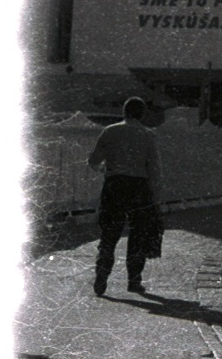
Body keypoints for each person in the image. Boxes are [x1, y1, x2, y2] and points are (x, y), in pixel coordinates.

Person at [88, 96, 161, 296]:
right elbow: (153, 168)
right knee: (138, 234)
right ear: (143, 113)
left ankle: (101, 277)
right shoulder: (148, 135)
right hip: (139, 187)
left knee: (109, 234)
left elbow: (94, 160)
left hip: (114, 185)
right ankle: (134, 280)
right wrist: (155, 195)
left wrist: (105, 168)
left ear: (124, 112)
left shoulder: (110, 131)